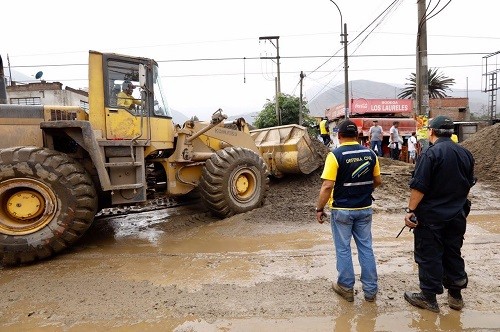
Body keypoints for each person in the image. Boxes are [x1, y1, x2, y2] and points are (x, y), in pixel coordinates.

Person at [403, 115, 475, 313]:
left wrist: (410, 211)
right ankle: (455, 295)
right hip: (457, 214)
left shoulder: (430, 154)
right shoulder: (465, 153)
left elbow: (419, 187)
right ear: (451, 133)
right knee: (453, 251)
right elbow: (469, 183)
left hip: (432, 217)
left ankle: (429, 297)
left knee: (429, 254)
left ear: (432, 132)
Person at [315, 119, 382, 303]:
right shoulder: (370, 154)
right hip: (365, 208)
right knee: (366, 247)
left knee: (343, 249)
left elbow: (327, 186)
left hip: (342, 210)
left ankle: (345, 287)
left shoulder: (335, 155)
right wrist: (364, 191)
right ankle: (370, 291)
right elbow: (377, 181)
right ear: (357, 135)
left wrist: (319, 208)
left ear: (339, 135)